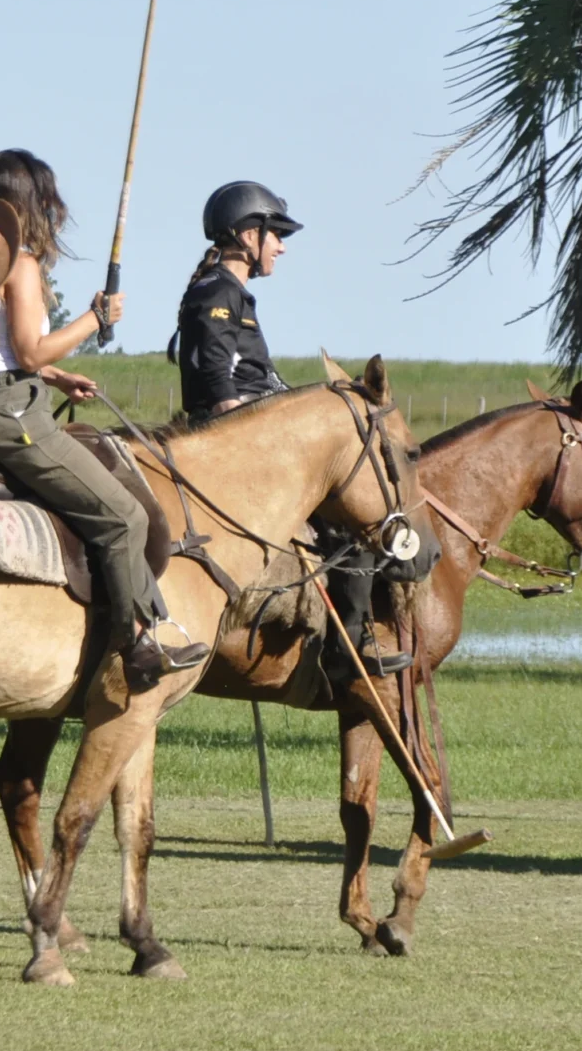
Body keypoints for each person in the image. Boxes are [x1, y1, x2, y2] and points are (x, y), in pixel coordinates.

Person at [0, 149, 208, 692]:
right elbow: (27, 353)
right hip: (12, 416)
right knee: (125, 516)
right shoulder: (21, 264)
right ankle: (138, 646)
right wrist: (95, 319)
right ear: (30, 204)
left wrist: (56, 378)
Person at [171, 181, 409, 683]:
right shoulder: (217, 291)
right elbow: (218, 380)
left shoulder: (234, 292)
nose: (281, 244)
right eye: (274, 233)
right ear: (244, 235)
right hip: (239, 444)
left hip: (257, 431)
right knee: (352, 515)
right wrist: (261, 436)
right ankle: (353, 642)